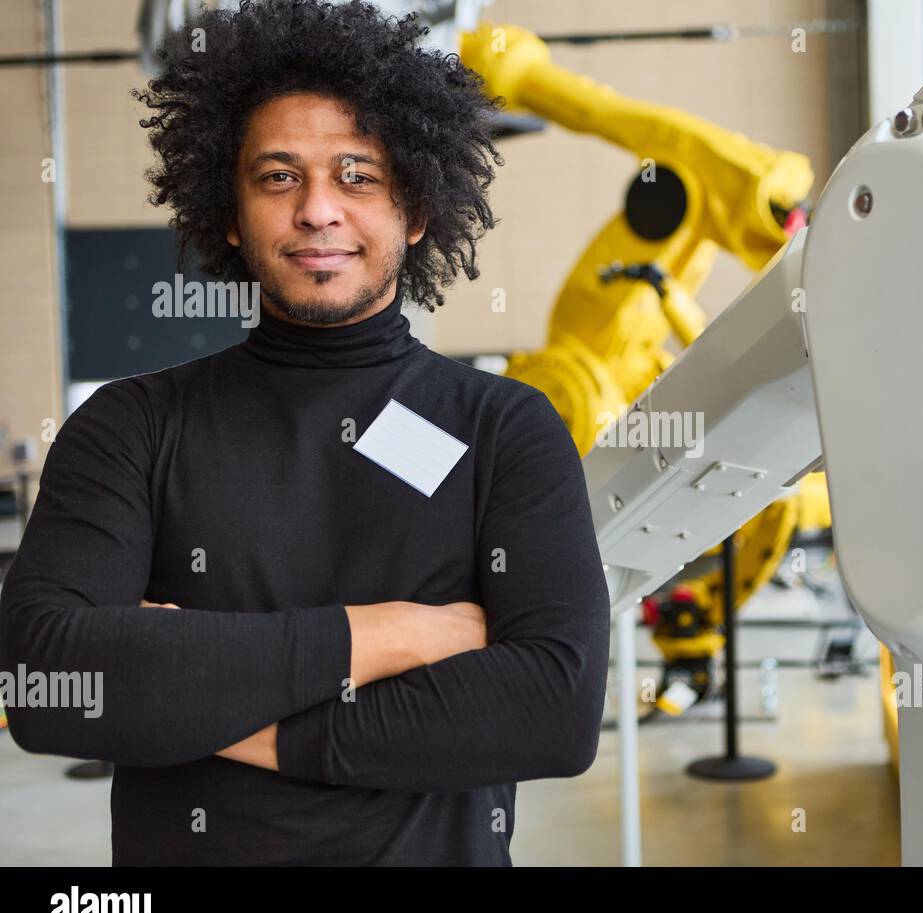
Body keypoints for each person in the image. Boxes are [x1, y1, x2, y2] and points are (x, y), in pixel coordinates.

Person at [0, 0, 610, 865]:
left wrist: (219, 702)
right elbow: (50, 685)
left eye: (358, 175)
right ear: (226, 209)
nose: (319, 210)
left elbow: (553, 709)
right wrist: (394, 635)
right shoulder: (130, 427)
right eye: (278, 176)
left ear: (419, 207)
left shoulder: (504, 429)